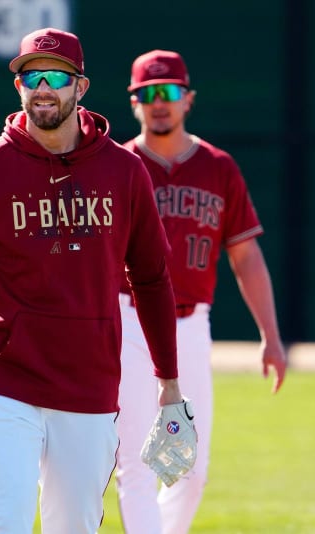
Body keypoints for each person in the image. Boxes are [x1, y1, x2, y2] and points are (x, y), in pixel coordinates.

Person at [0, 30, 190, 534]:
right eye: (29, 76)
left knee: (75, 528)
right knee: (5, 524)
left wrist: (168, 383)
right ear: (19, 86)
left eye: (56, 77)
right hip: (4, 382)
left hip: (88, 384)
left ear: (80, 87)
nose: (42, 88)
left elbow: (151, 279)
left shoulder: (124, 172)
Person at [115, 49, 288, 534]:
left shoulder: (218, 167)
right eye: (148, 94)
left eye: (168, 92)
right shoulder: (118, 166)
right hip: (128, 322)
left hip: (191, 323)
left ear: (188, 99)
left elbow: (246, 256)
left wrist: (270, 336)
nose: (159, 103)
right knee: (136, 464)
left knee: (191, 468)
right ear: (135, 103)